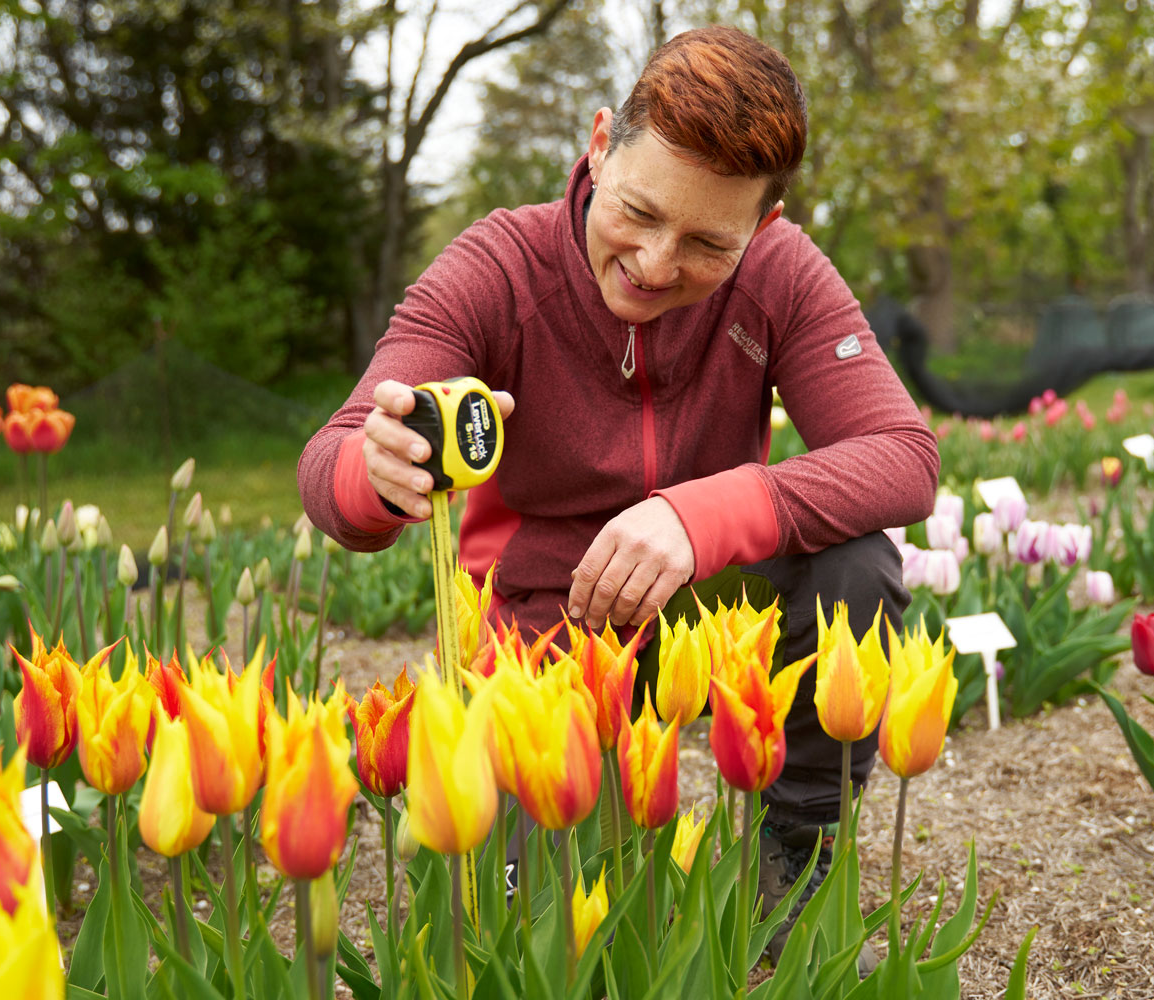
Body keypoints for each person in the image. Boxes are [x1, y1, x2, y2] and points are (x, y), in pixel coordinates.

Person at [297, 25, 937, 964]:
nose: (656, 261)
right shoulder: (497, 268)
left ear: (763, 222)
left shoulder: (780, 272)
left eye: (707, 242)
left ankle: (792, 853)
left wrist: (697, 512)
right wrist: (377, 471)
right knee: (551, 943)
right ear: (600, 143)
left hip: (707, 606)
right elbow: (332, 462)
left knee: (857, 561)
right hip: (541, 631)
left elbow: (903, 455)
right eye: (637, 211)